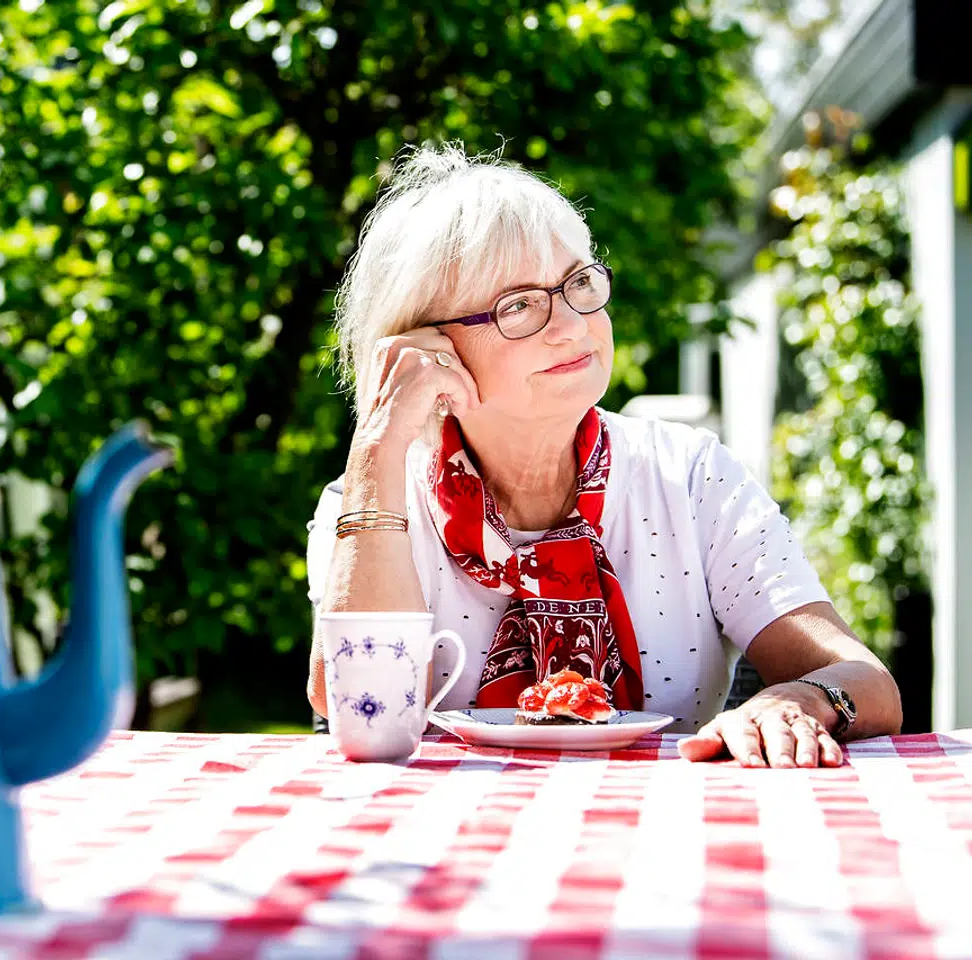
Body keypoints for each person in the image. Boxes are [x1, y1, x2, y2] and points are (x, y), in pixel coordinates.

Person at [305, 143, 901, 768]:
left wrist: (806, 698)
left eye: (577, 282)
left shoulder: (691, 476)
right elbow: (364, 721)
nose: (572, 325)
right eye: (519, 305)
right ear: (426, 349)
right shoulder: (371, 502)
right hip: (449, 845)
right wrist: (376, 446)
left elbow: (868, 683)